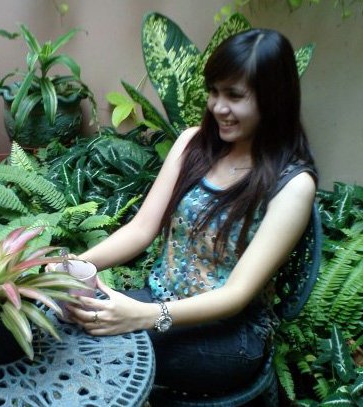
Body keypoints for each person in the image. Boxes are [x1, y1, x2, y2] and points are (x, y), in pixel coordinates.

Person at [64, 28, 318, 395]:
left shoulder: (292, 185)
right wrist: (75, 267)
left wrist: (144, 317)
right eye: (214, 92)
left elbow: (237, 294)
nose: (218, 107)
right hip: (158, 302)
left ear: (274, 98)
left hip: (229, 335)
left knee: (100, 354)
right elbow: (141, 229)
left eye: (234, 96)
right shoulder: (193, 144)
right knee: (70, 323)